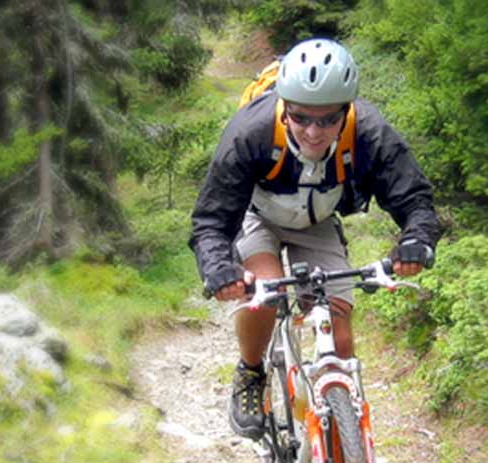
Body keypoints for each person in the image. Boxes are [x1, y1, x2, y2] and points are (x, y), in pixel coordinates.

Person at [188, 38, 442, 440]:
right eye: (300, 116)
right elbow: (211, 220)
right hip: (258, 217)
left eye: (327, 120)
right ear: (284, 106)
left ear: (346, 110)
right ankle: (250, 373)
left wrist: (416, 241)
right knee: (266, 295)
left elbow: (414, 199)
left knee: (339, 335)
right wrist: (219, 268)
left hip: (318, 222)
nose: (313, 131)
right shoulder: (251, 132)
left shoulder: (368, 131)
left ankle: (347, 451)